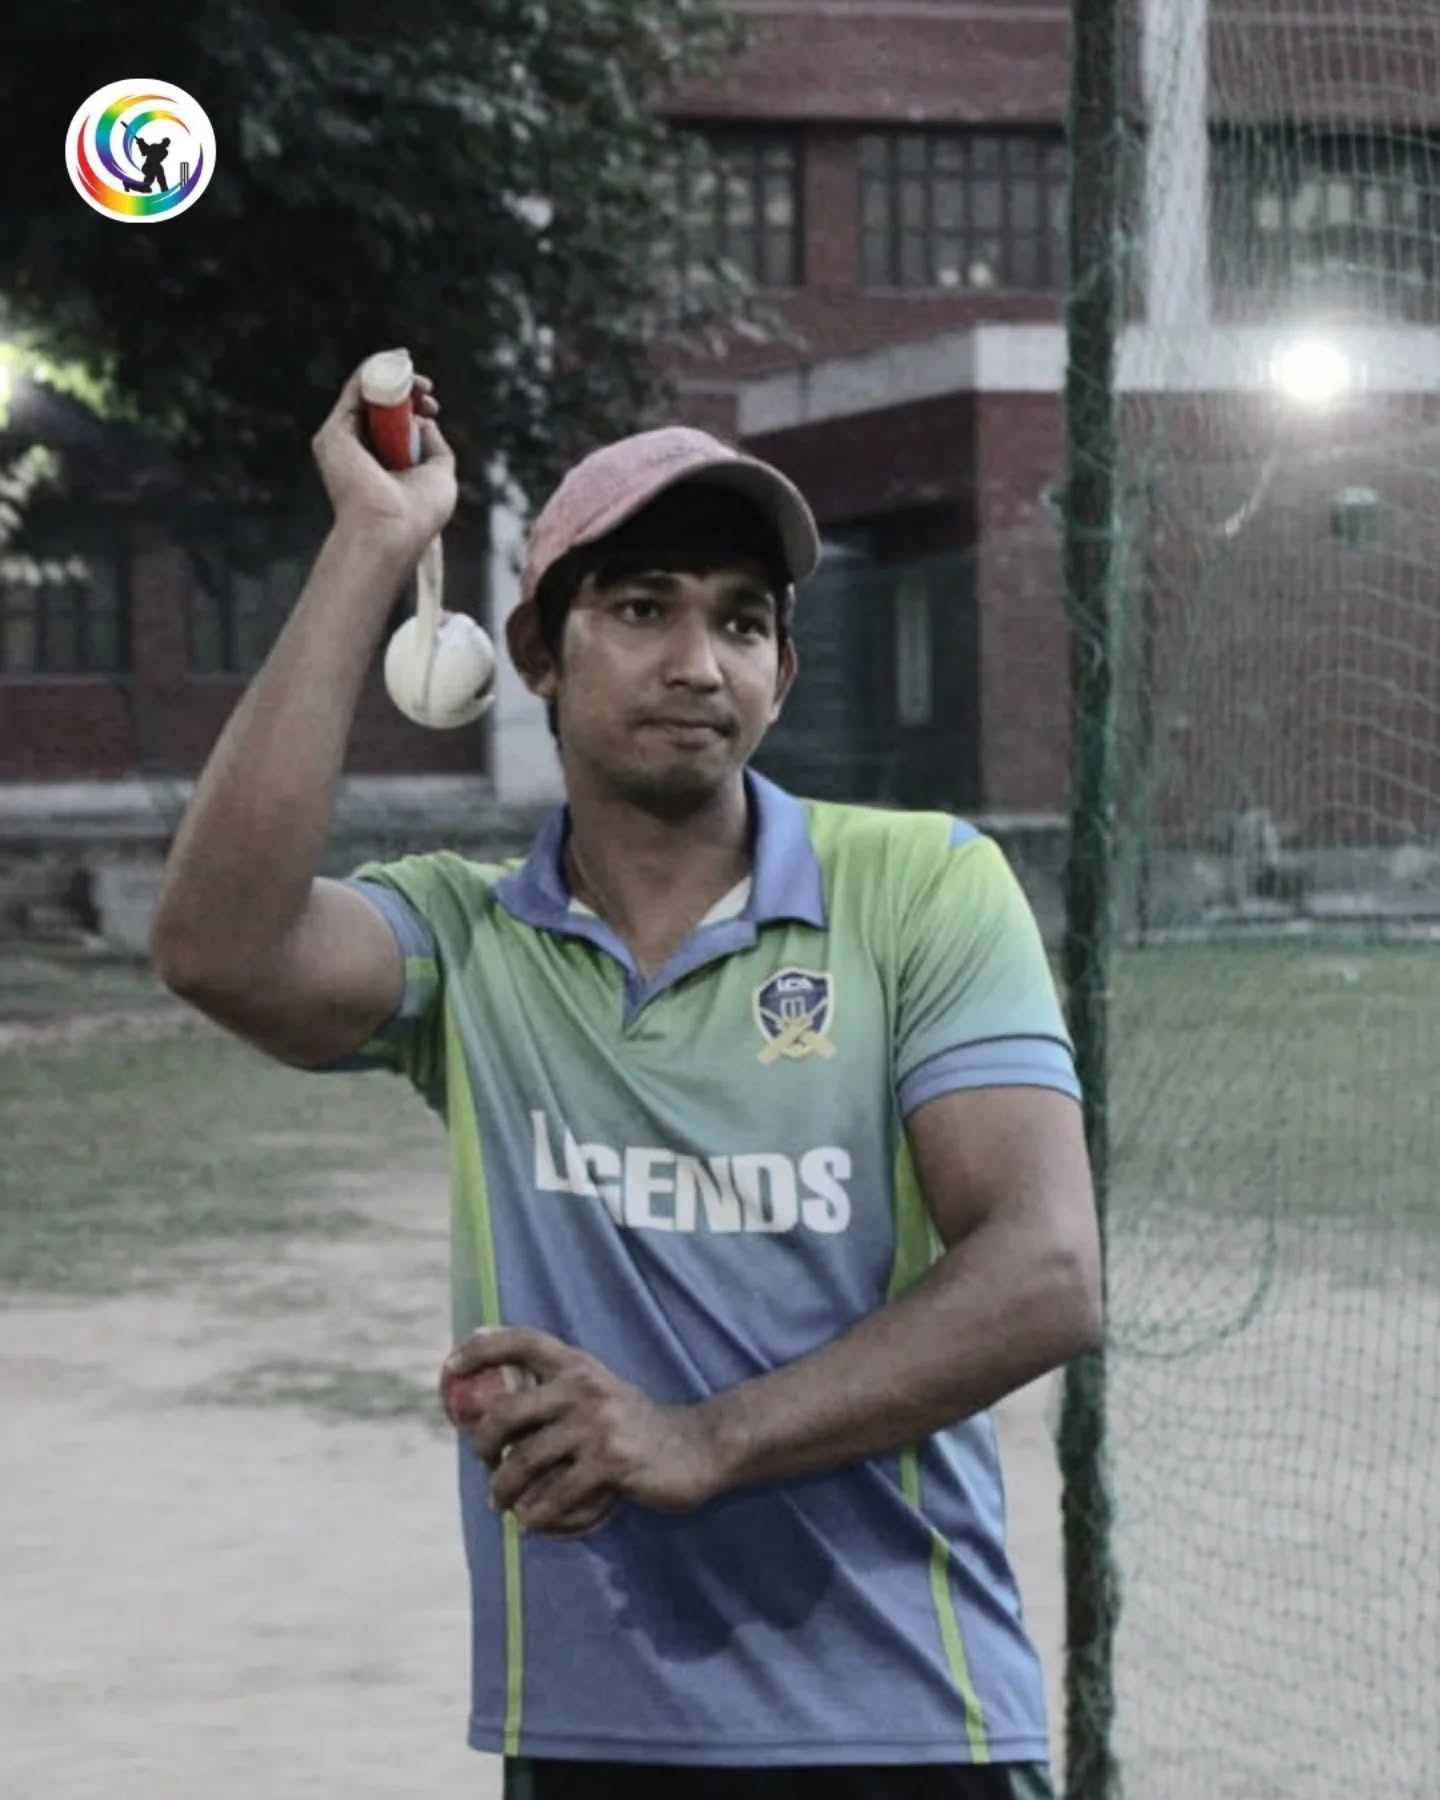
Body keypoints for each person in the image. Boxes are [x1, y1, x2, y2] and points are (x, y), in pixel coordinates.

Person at [152, 356, 1102, 1800]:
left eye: (742, 622)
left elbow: (1045, 1270)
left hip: (909, 1719)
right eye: (642, 606)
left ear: (783, 668)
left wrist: (698, 1439)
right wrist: (371, 551)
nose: (696, 662)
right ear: (536, 653)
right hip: (594, 1732)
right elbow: (222, 946)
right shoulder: (467, 941)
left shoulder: (922, 887)